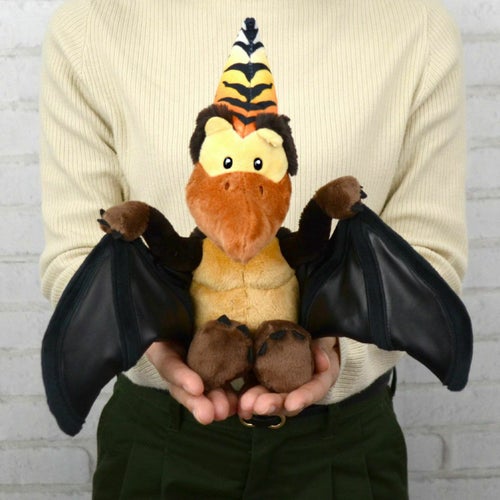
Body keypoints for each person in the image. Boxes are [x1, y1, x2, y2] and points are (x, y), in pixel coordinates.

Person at [39, 0, 467, 498]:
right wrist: (153, 347)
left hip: (342, 447)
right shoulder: (90, 25)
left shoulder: (417, 26)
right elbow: (77, 253)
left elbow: (429, 256)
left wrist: (337, 353)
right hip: (159, 440)